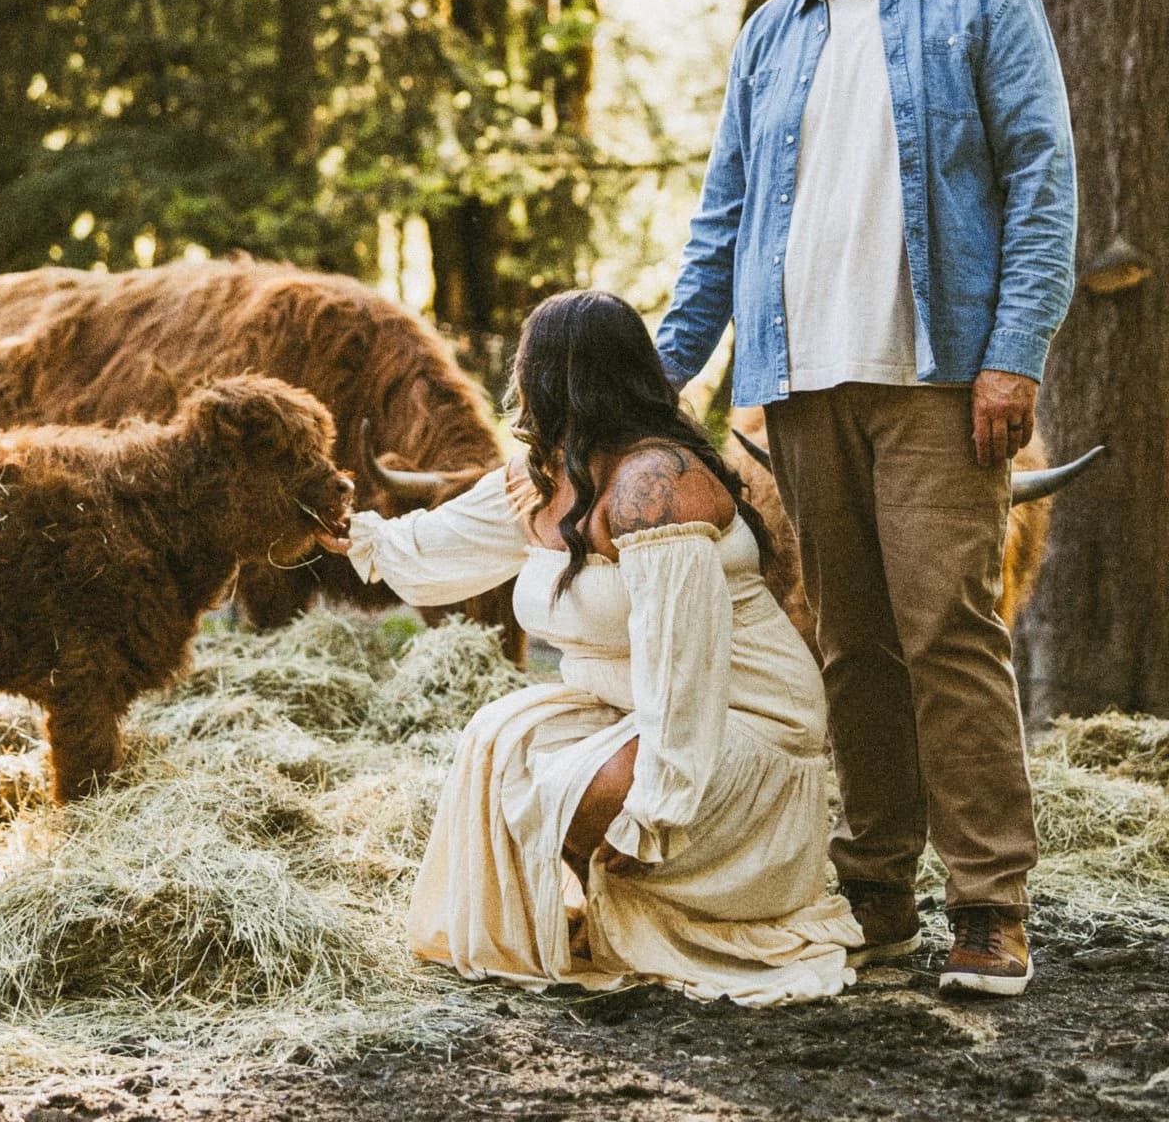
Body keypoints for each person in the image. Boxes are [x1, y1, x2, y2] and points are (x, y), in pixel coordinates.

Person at [655, 0, 1077, 996]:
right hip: (796, 386)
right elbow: (722, 219)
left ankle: (989, 904)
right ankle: (876, 895)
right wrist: (665, 371)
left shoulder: (985, 3)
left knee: (948, 629)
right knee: (850, 646)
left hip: (939, 378)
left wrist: (1014, 353)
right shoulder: (768, 39)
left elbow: (1044, 182)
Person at [320, 288, 862, 1006]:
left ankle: (653, 897)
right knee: (501, 740)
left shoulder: (655, 486)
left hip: (740, 724)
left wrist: (657, 809)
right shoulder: (545, 476)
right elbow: (438, 548)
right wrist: (355, 534)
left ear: (550, 380)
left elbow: (684, 667)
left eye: (527, 373)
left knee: (572, 788)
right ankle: (597, 907)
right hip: (637, 712)